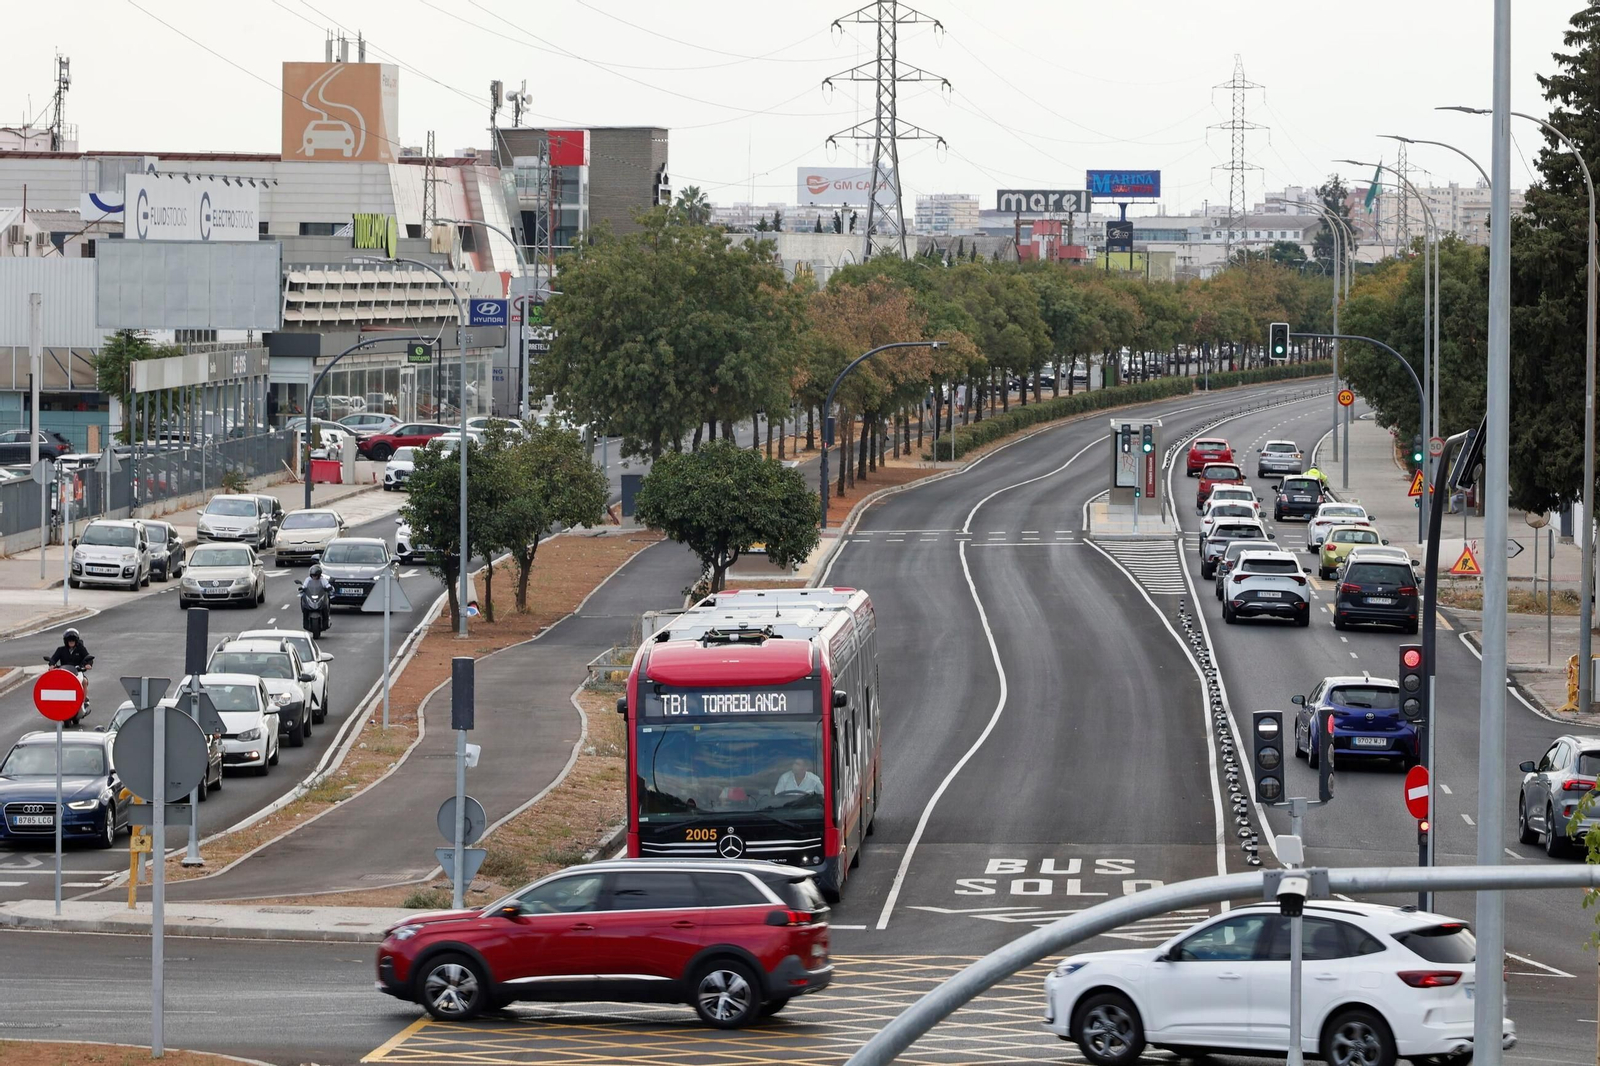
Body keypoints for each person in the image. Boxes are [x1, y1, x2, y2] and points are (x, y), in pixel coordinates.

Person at [306, 563, 333, 630]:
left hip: (321, 597)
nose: (314, 577)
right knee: (305, 606)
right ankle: (306, 621)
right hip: (312, 596)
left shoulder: (323, 580)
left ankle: (326, 621)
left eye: (316, 575)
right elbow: (304, 586)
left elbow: (327, 585)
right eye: (313, 575)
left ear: (319, 575)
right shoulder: (308, 580)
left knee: (326, 607)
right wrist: (302, 588)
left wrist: (329, 587)